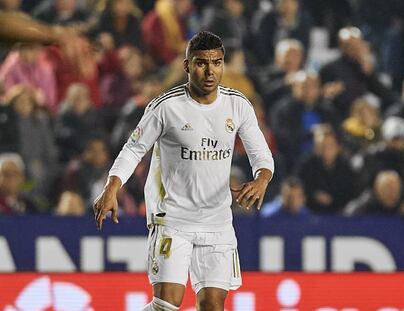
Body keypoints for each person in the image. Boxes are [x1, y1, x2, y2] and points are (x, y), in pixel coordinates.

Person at [93, 31, 274, 310]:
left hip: (217, 222)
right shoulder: (166, 107)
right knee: (166, 305)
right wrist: (111, 187)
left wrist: (262, 179)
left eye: (217, 62)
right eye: (202, 63)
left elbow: (261, 154)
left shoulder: (238, 105)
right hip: (173, 219)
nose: (210, 70)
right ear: (187, 66)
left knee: (214, 306)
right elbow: (133, 149)